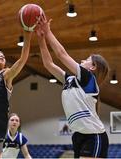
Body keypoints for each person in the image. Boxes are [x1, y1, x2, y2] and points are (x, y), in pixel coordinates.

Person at [36, 14, 109, 158]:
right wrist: (41, 39)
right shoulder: (69, 79)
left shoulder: (88, 79)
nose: (82, 60)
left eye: (87, 59)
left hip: (93, 136)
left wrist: (48, 31)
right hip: (78, 136)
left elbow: (61, 54)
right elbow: (48, 65)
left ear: (93, 67)